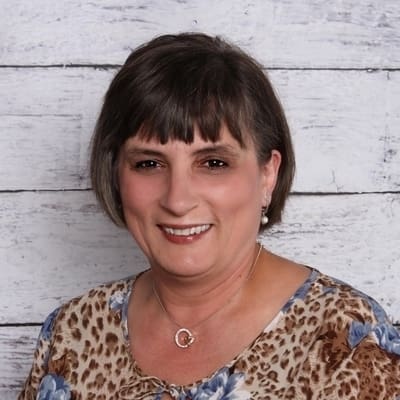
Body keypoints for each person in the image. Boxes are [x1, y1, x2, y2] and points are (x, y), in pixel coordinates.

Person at [19, 33, 400, 400]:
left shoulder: (347, 337)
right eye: (149, 163)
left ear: (268, 174)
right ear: (116, 175)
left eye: (213, 162)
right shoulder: (72, 332)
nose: (178, 199)